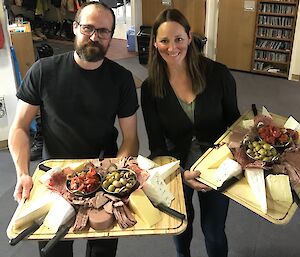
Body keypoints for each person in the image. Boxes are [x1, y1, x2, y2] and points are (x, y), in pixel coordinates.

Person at [8, 2, 139, 257]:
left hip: (103, 175)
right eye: (88, 27)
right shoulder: (43, 71)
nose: (94, 36)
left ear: (111, 36)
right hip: (54, 176)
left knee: (102, 251)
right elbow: (20, 128)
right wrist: (23, 173)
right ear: (75, 27)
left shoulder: (121, 79)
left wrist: (116, 177)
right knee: (53, 249)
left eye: (103, 31)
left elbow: (131, 137)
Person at [141, 8, 240, 257]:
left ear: (189, 37)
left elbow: (234, 123)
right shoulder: (150, 87)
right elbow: (157, 145)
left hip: (217, 166)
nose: (171, 47)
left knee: (214, 231)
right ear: (155, 43)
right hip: (176, 168)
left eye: (178, 39)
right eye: (164, 40)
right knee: (180, 227)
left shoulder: (218, 74)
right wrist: (181, 174)